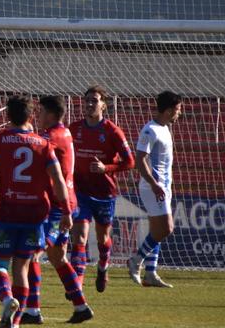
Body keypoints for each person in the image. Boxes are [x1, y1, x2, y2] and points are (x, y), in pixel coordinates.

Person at [0, 95, 85, 328]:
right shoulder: (43, 144)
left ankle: (7, 299)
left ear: (8, 116)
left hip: (7, 213)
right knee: (22, 266)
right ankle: (17, 322)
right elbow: (59, 180)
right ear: (30, 116)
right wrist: (66, 211)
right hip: (36, 215)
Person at [23, 96, 92, 324]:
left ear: (51, 114)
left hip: (55, 207)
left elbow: (31, 149)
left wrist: (5, 136)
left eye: (41, 111)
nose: (37, 116)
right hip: (65, 203)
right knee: (58, 257)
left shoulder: (51, 137)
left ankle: (32, 310)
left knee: (32, 254)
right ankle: (81, 306)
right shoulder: (64, 132)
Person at [68, 85, 134, 293]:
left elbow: (130, 162)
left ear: (103, 105)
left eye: (94, 100)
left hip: (105, 193)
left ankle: (103, 266)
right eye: (87, 100)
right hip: (80, 192)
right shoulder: (74, 128)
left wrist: (106, 168)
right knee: (79, 236)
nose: (89, 104)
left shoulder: (112, 131)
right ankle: (76, 283)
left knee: (103, 238)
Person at [127, 91, 182, 289]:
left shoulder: (164, 128)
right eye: (177, 109)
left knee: (157, 230)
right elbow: (140, 159)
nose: (179, 113)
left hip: (162, 186)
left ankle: (150, 273)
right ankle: (136, 260)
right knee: (166, 228)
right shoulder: (150, 130)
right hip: (153, 187)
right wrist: (153, 183)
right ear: (167, 111)